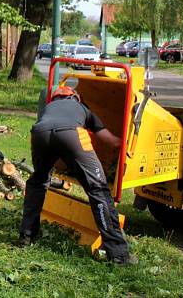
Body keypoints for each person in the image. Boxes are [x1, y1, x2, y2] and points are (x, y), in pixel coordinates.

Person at [19, 86, 136, 265]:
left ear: (56, 98)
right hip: (71, 134)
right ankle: (119, 254)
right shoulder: (83, 109)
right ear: (75, 98)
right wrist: (127, 143)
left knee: (38, 182)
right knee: (98, 189)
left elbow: (54, 140)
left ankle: (26, 237)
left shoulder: (48, 108)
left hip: (39, 132)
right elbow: (111, 141)